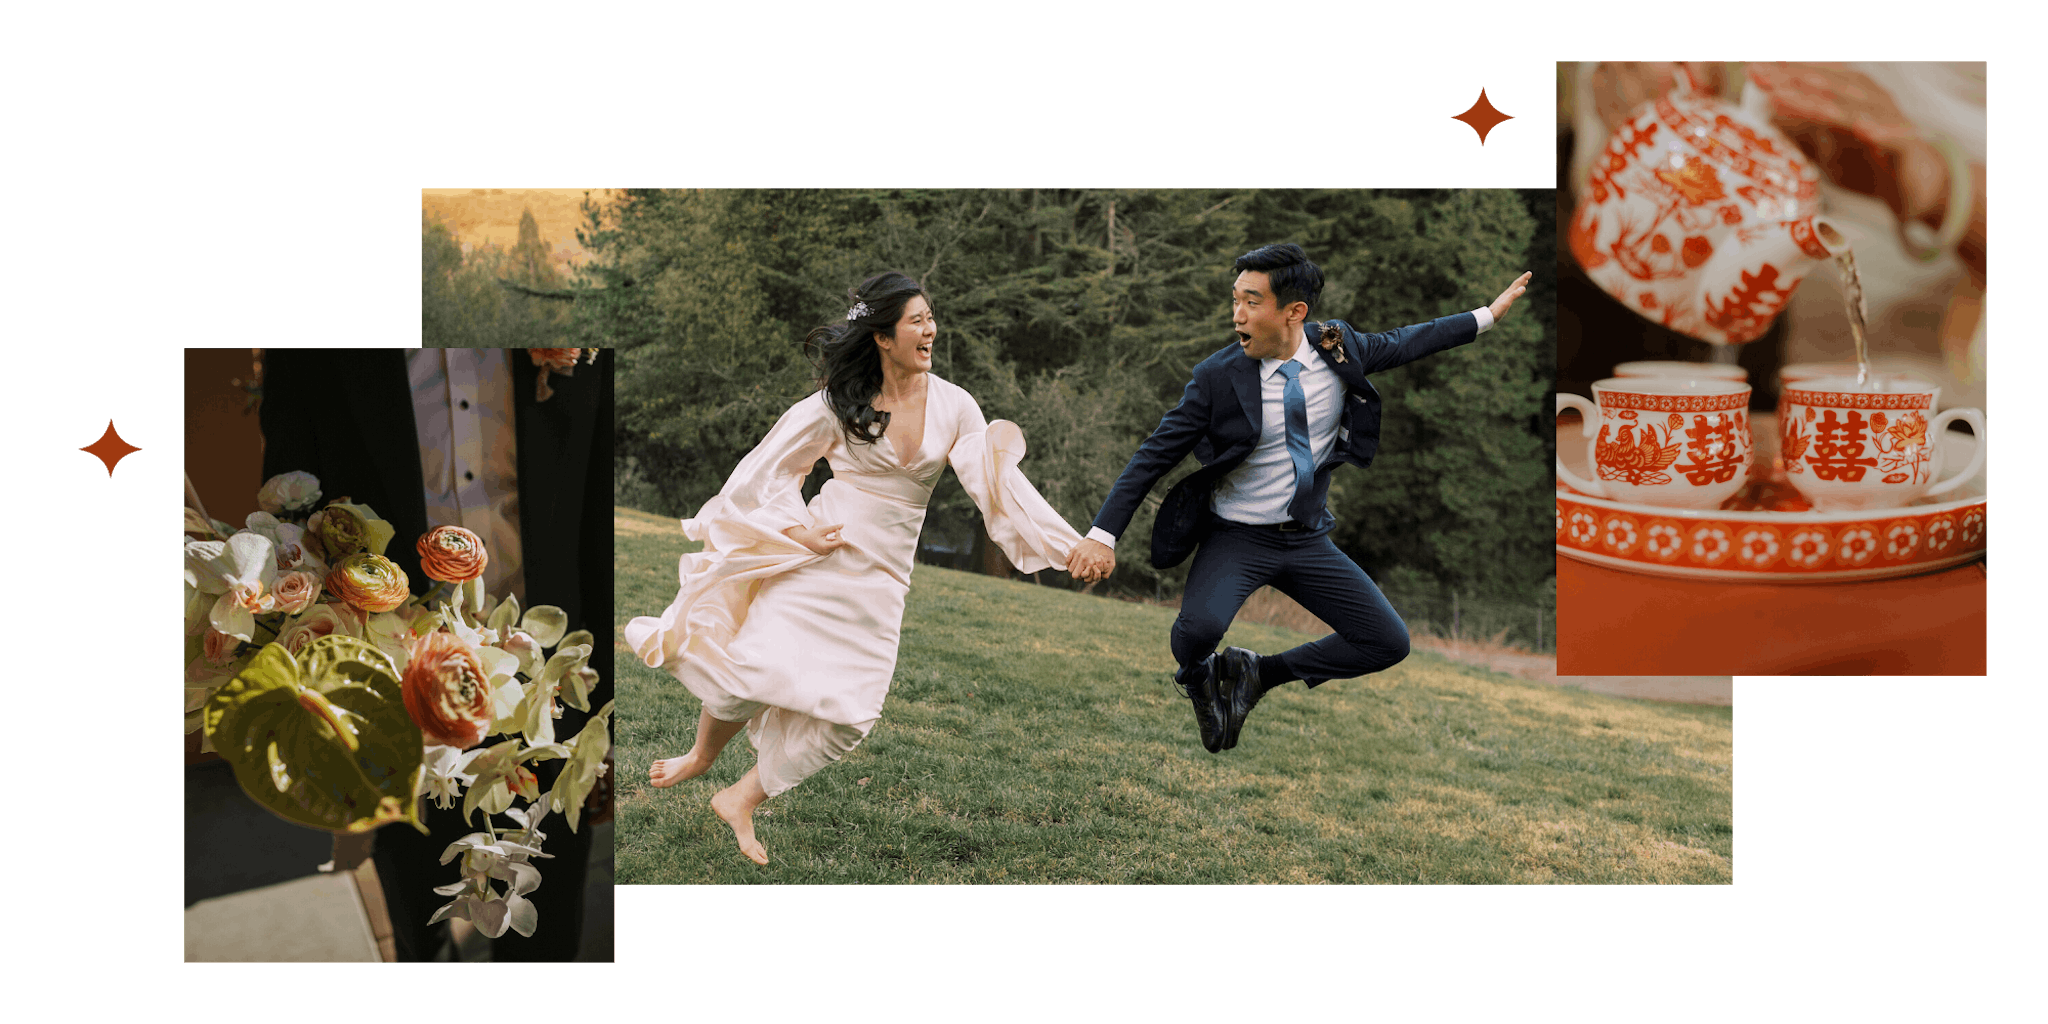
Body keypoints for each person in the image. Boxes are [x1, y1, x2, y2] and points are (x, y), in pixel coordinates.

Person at [624, 272, 1086, 865]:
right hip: (823, 558)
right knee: (749, 672)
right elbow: (762, 475)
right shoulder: (834, 405)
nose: (930, 330)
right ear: (883, 338)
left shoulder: (955, 405)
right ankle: (703, 757)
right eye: (917, 321)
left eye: (930, 318)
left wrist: (1068, 545)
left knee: (852, 714)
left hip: (884, 579)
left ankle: (741, 797)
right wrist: (798, 532)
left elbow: (1000, 486)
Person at [1066, 244, 1530, 753]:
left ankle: (1257, 674)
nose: (1237, 315)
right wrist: (1101, 536)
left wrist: (1486, 316)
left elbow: (1405, 342)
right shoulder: (1217, 378)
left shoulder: (1337, 345)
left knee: (1386, 643)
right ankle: (1199, 677)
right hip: (1235, 537)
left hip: (1306, 540)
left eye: (1251, 302)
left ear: (1295, 313)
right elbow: (1152, 456)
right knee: (1197, 631)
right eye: (1235, 300)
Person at [260, 347, 612, 962]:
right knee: (419, 919)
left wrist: (611, 709)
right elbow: (287, 512)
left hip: (552, 689)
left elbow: (597, 516)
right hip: (389, 696)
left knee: (547, 934)